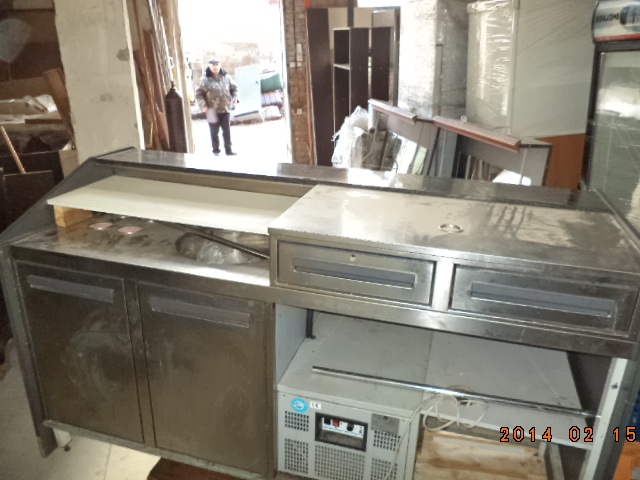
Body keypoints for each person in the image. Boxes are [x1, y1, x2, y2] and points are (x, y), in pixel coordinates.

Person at [195, 59, 239, 156]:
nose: (215, 67)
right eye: (213, 65)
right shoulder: (205, 80)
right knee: (214, 131)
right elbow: (199, 95)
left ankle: (229, 150)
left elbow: (234, 88)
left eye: (217, 64)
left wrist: (235, 97)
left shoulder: (226, 77)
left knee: (226, 131)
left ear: (220, 65)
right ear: (210, 66)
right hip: (211, 110)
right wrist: (203, 106)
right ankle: (216, 150)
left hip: (225, 108)